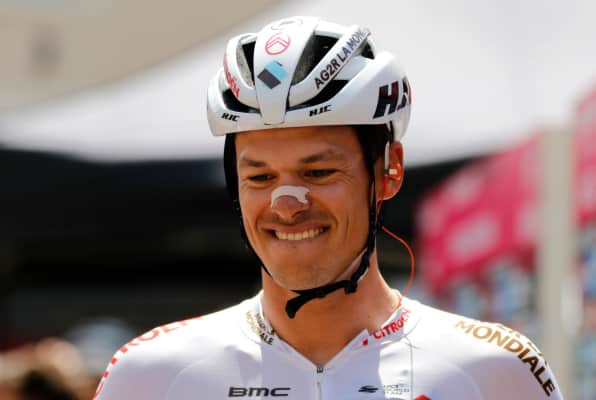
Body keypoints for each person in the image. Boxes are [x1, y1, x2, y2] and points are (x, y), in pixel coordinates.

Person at [94, 16, 563, 399]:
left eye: (318, 172)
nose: (287, 205)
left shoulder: (494, 370)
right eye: (260, 177)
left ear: (389, 171)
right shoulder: (151, 376)